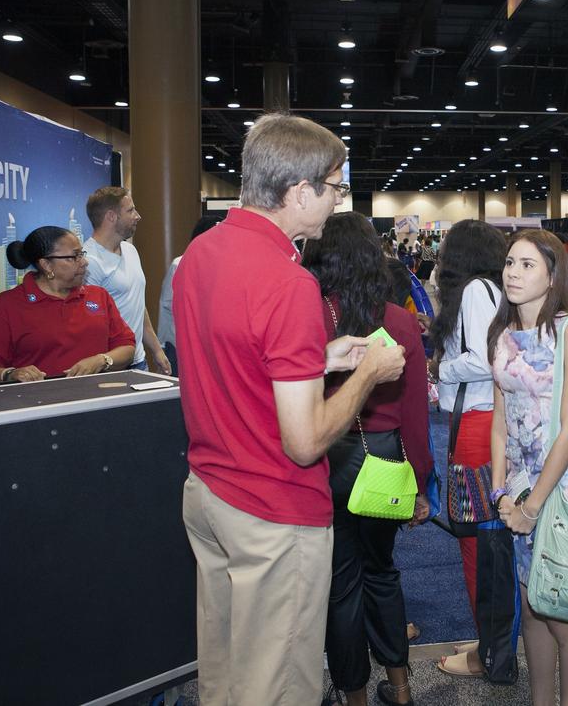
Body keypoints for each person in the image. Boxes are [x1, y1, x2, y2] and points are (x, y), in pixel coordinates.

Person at [173, 113, 407, 706]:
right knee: (277, 685)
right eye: (334, 187)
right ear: (300, 192)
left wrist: (317, 359)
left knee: (226, 674)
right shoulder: (288, 282)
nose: (336, 202)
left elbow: (233, 355)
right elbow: (305, 441)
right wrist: (367, 375)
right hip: (272, 510)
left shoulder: (199, 254)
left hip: (210, 490)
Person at [303, 212, 432, 706]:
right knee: (383, 571)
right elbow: (416, 414)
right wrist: (420, 483)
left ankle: (353, 694)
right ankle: (400, 688)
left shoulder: (313, 316)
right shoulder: (398, 318)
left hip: (329, 459)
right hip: (385, 460)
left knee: (340, 585)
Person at [490, 229, 568, 706]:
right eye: (510, 262)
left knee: (563, 613)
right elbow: (499, 419)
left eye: (527, 264)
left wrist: (532, 507)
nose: (513, 272)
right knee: (532, 610)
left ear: (553, 275)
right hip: (516, 489)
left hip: (561, 486)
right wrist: (500, 492)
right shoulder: (503, 332)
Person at [429, 219, 509, 679]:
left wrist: (442, 368)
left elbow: (482, 359)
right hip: (482, 423)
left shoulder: (477, 291)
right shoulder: (490, 290)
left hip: (477, 427)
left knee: (476, 544)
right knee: (485, 542)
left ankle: (489, 653)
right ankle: (491, 643)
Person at [0, 225, 135, 383]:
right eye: (74, 256)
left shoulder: (99, 296)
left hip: (99, 402)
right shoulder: (6, 306)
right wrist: (10, 374)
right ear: (46, 265)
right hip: (37, 406)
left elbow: (127, 347)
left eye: (82, 254)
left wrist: (103, 360)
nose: (84, 262)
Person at [83, 186, 170, 374]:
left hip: (138, 361)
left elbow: (137, 303)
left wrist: (156, 349)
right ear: (111, 216)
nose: (137, 216)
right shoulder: (88, 262)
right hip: (108, 368)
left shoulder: (130, 250)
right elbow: (89, 325)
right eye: (130, 210)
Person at [157, 215, 222, 376]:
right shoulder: (180, 264)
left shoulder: (228, 267)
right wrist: (162, 346)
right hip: (182, 348)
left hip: (215, 350)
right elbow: (166, 307)